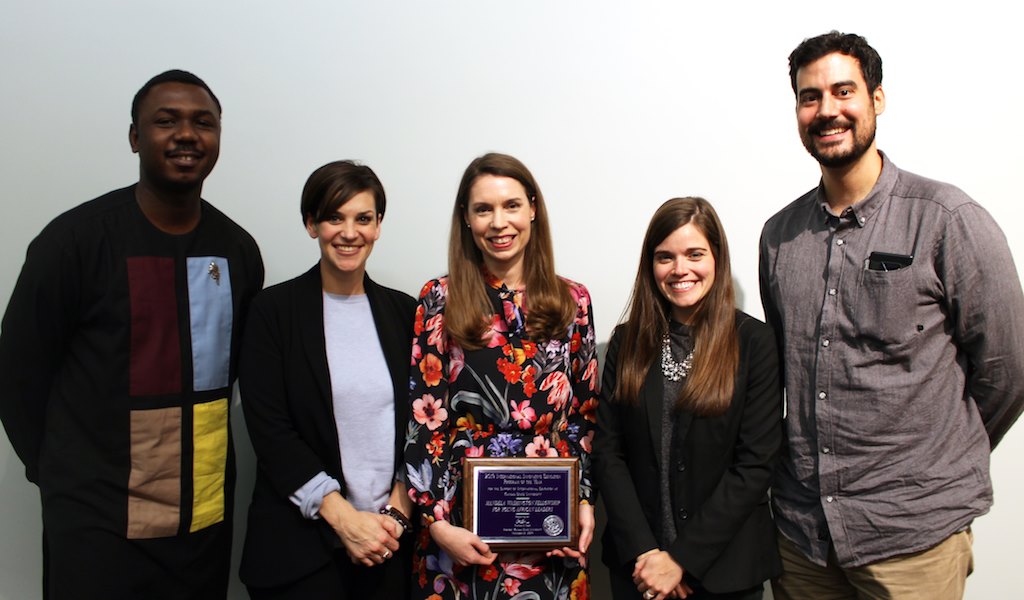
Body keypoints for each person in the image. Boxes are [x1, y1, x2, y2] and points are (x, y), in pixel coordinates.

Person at [759, 31, 1024, 599]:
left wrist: (937, 462)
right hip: (804, 539)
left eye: (843, 91)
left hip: (914, 537)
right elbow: (790, 372)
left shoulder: (947, 219)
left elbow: (1008, 369)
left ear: (877, 99)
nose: (827, 110)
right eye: (810, 97)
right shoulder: (779, 238)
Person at [0, 69, 264, 599]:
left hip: (200, 521)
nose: (187, 134)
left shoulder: (236, 251)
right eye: (166, 121)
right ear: (135, 137)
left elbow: (238, 373)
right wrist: (56, 474)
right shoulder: (73, 242)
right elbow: (17, 372)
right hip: (96, 526)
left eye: (203, 123)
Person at [404, 152, 599, 598]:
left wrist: (584, 500)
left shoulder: (573, 301)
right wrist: (435, 524)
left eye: (511, 205)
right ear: (467, 219)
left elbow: (584, 416)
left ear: (533, 208)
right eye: (483, 209)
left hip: (551, 533)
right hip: (460, 532)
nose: (498, 222)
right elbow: (424, 421)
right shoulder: (439, 298)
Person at [238, 160, 417, 599]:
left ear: (378, 226)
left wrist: (395, 516)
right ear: (311, 223)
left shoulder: (407, 313)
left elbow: (423, 426)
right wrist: (343, 518)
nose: (349, 232)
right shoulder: (272, 313)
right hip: (299, 553)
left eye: (363, 218)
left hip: (391, 545)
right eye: (334, 217)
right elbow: (270, 429)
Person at [593, 198, 782, 600]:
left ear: (717, 258)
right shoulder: (627, 341)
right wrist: (648, 555)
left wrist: (680, 560)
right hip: (637, 570)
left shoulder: (755, 343)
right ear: (651, 265)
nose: (680, 270)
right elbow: (609, 454)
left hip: (724, 571)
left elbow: (755, 465)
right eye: (665, 257)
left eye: (694, 254)